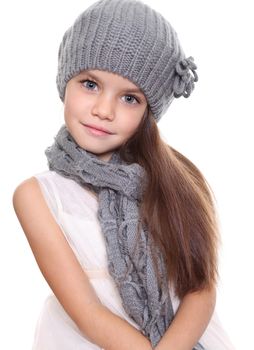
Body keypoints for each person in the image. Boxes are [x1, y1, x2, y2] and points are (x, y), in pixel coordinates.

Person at [13, 0, 236, 349]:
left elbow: (200, 286)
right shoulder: (38, 196)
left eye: (130, 98)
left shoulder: (180, 180)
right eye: (90, 84)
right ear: (65, 80)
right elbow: (87, 311)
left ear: (150, 111)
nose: (104, 110)